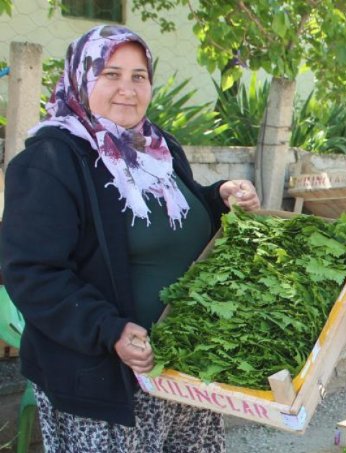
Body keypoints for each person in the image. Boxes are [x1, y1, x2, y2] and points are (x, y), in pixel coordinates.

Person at [1, 25, 260, 452]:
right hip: (104, 385)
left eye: (139, 76)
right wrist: (111, 331)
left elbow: (176, 224)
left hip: (181, 372)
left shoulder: (159, 149)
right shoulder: (50, 161)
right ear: (81, 79)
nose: (128, 89)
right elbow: (32, 273)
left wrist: (219, 199)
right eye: (111, 74)